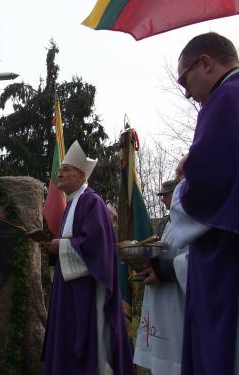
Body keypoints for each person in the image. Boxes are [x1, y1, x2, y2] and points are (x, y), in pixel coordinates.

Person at [171, 32, 239, 375]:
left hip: (227, 260)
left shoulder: (225, 99)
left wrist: (185, 181)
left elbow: (206, 189)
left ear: (206, 63)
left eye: (185, 79)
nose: (186, 91)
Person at [40, 141, 134, 375]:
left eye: (66, 169)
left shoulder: (92, 202)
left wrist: (59, 247)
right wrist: (54, 248)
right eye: (59, 168)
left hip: (86, 291)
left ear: (81, 175)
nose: (59, 173)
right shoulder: (73, 204)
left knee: (88, 342)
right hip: (69, 287)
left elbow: (97, 247)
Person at [133, 180, 188, 375]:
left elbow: (194, 260)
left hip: (178, 302)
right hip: (160, 299)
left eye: (166, 195)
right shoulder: (166, 221)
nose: (163, 200)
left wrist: (166, 270)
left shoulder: (194, 218)